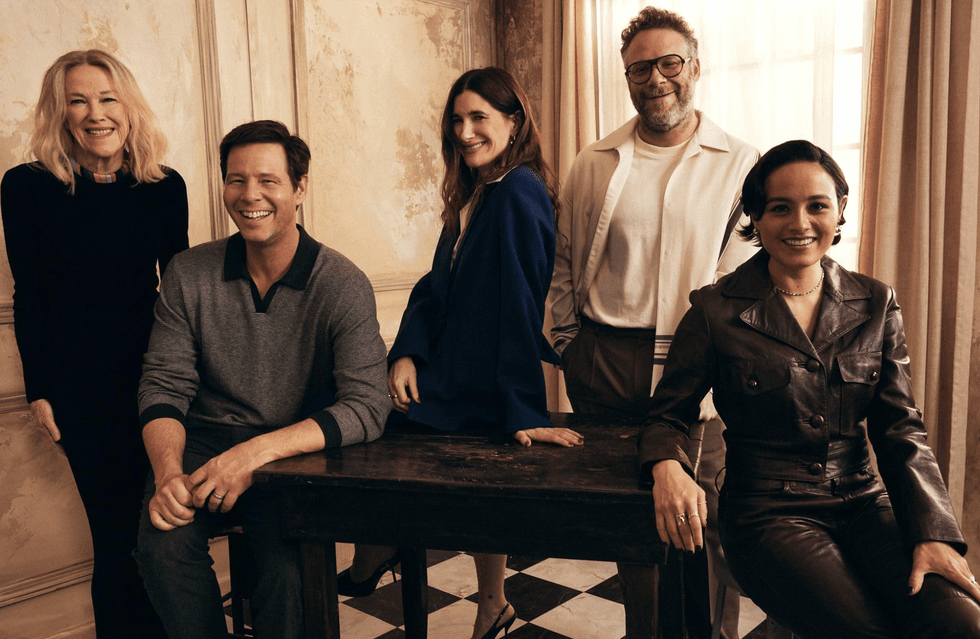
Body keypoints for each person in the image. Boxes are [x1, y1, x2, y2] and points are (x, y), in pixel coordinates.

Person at [639, 140, 980, 639]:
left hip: (864, 501)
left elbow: (901, 429)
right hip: (766, 514)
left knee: (960, 624)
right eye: (780, 208)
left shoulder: (876, 302)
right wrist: (667, 466)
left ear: (840, 210)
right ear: (754, 216)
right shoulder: (714, 310)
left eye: (817, 205)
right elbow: (667, 414)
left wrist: (933, 533)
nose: (800, 224)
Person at [338, 67, 583, 639]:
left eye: (480, 118)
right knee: (357, 400)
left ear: (514, 122)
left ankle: (383, 543)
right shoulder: (475, 193)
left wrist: (523, 411)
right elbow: (431, 288)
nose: (465, 131)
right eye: (457, 119)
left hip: (476, 382)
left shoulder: (518, 192)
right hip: (442, 370)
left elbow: (522, 304)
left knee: (355, 410)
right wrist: (405, 353)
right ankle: (454, 580)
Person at [134, 120, 390, 639]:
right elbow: (164, 385)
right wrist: (166, 474)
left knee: (288, 578)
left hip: (295, 451)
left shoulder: (342, 283)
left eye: (268, 180)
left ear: (299, 187)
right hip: (202, 443)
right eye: (236, 179)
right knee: (160, 546)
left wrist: (254, 456)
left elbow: (367, 406)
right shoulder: (188, 273)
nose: (250, 195)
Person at [547, 6, 757, 637]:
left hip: (698, 369)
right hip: (605, 360)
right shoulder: (595, 162)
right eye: (640, 67)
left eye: (670, 63)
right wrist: (570, 347)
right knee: (634, 524)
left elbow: (743, 283)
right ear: (627, 76)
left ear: (695, 68)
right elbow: (564, 263)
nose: (656, 78)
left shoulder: (741, 163)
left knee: (703, 519)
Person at [1, 49, 187, 639]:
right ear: (60, 113)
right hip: (79, 393)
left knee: (158, 530)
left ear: (128, 108)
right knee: (115, 539)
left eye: (107, 98)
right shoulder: (27, 188)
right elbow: (29, 292)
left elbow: (179, 292)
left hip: (155, 382)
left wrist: (190, 379)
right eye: (77, 100)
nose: (94, 113)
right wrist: (40, 390)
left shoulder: (163, 186)